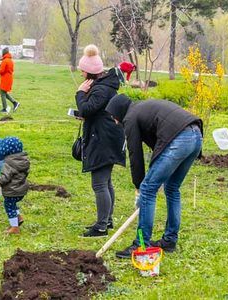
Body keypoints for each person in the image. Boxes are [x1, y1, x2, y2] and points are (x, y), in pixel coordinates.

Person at [105, 95, 203, 258]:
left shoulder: (130, 117)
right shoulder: (141, 108)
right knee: (172, 188)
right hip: (196, 135)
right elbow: (159, 144)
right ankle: (170, 240)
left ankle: (141, 245)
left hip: (179, 139)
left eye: (113, 117)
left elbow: (135, 153)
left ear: (118, 112)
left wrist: (139, 186)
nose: (115, 121)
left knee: (148, 189)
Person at [75, 44, 126, 237]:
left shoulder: (100, 90)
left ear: (89, 72)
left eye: (82, 71)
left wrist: (80, 93)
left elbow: (88, 109)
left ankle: (101, 226)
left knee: (99, 184)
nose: (81, 74)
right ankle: (108, 219)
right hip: (107, 136)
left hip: (103, 140)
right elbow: (93, 111)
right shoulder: (104, 86)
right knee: (106, 182)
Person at [0, 137, 30, 234]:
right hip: (21, 190)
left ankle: (14, 228)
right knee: (13, 205)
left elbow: (4, 178)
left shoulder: (8, 163)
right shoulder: (23, 160)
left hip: (12, 191)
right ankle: (18, 218)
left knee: (9, 207)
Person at [0, 48, 20, 112]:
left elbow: (2, 70)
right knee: (4, 92)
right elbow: (7, 68)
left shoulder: (5, 60)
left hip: (5, 78)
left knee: (2, 92)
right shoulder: (10, 60)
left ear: (3, 53)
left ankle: (5, 108)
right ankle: (15, 103)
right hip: (9, 77)